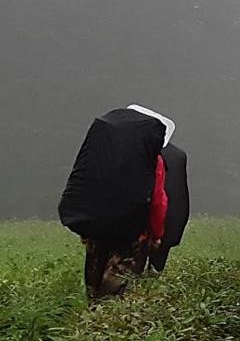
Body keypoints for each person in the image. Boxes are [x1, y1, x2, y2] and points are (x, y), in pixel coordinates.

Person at [62, 104, 175, 302]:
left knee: (93, 287)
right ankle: (107, 328)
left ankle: (89, 325)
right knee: (117, 292)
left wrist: (85, 229)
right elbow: (158, 201)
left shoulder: (104, 155)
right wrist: (156, 235)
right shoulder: (152, 160)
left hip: (97, 229)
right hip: (131, 235)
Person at [145, 142, 189, 273]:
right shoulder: (178, 155)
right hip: (171, 219)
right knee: (156, 269)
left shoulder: (137, 151)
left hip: (140, 221)